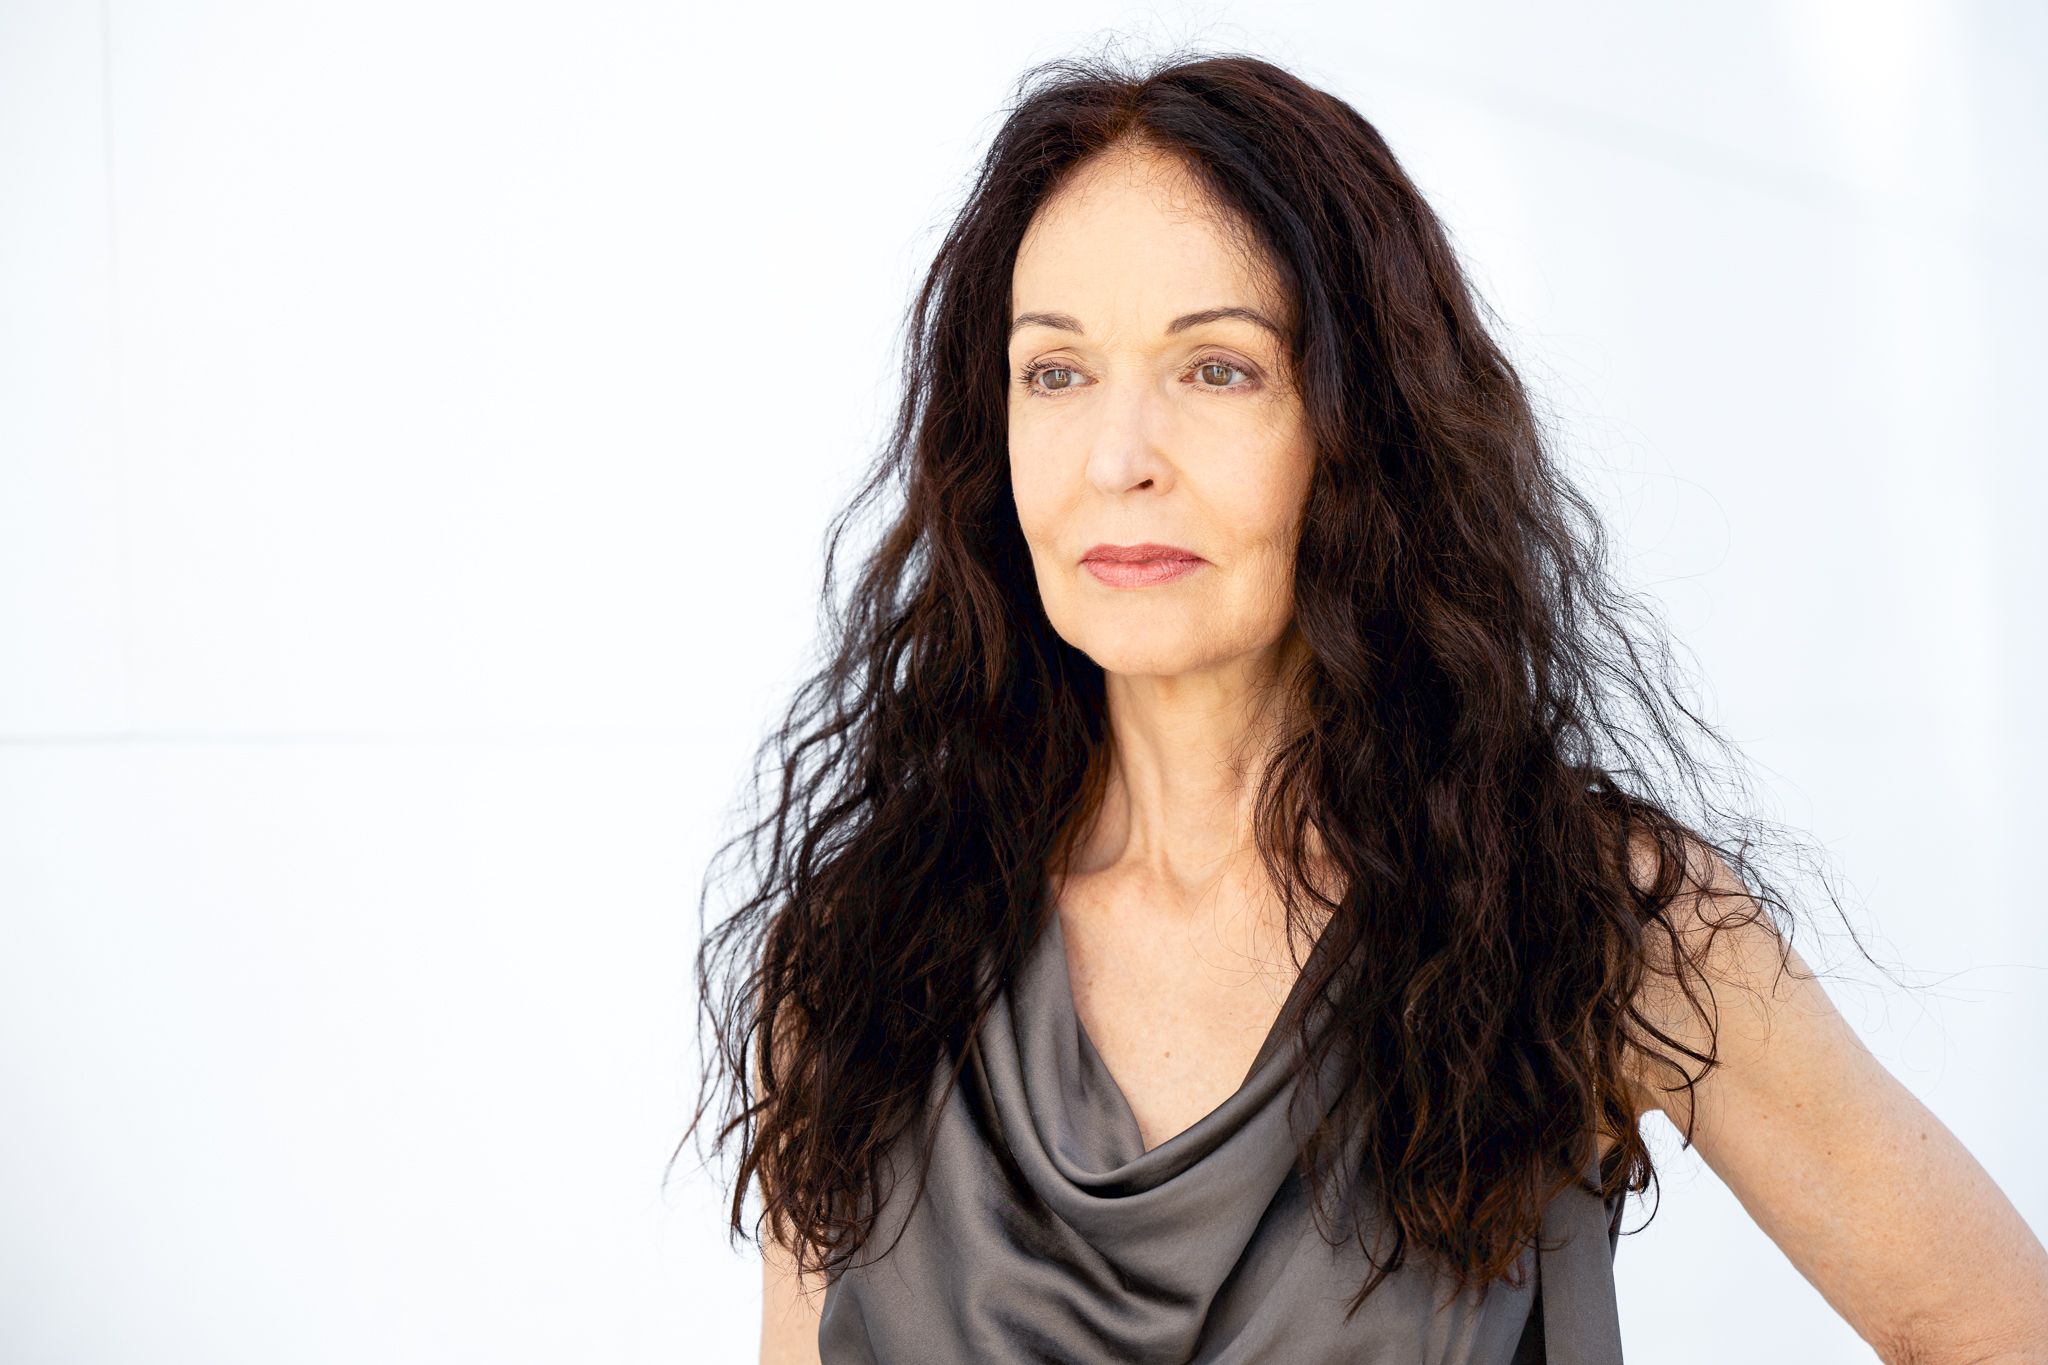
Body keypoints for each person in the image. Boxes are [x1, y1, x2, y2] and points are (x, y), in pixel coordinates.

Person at [682, 50, 2048, 1364]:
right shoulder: (856, 958)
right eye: (1056, 372)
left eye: (1218, 368)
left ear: (1364, 427)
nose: (1117, 456)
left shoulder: (1591, 915)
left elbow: (1995, 1330)